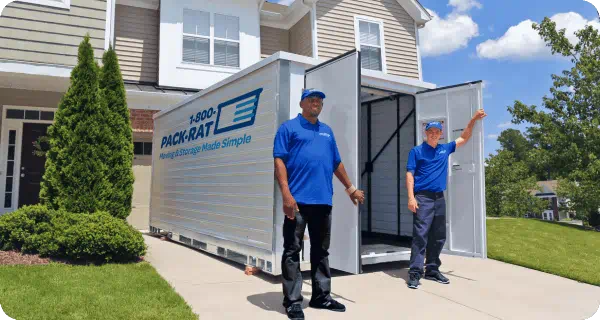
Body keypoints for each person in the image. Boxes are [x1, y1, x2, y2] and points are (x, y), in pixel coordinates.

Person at [273, 88, 365, 319]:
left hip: (323, 201)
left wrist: (350, 188)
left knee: (321, 251)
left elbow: (336, 163)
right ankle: (293, 301)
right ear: (302, 103)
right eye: (312, 99)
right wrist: (285, 193)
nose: (317, 103)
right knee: (293, 250)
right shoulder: (288, 128)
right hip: (297, 202)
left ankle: (320, 296)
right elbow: (279, 161)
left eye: (320, 100)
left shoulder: (327, 132)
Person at [405, 109, 487, 289]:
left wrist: (473, 118)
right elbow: (410, 174)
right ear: (425, 134)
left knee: (438, 236)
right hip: (423, 198)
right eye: (430, 132)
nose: (434, 134)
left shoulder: (444, 149)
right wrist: (411, 198)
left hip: (439, 198)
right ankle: (415, 272)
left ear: (440, 135)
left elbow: (464, 138)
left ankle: (432, 270)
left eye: (437, 132)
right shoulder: (417, 151)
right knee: (421, 236)